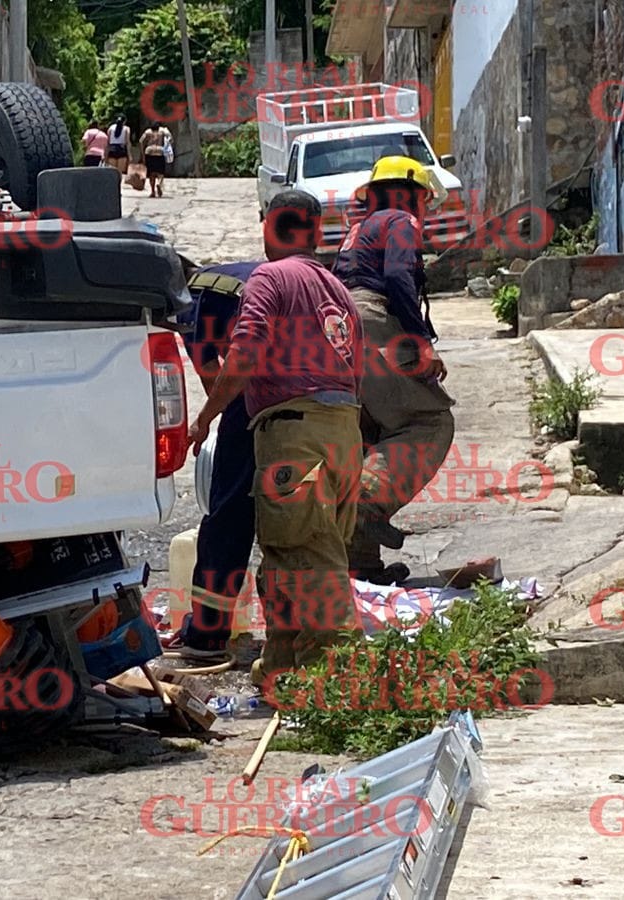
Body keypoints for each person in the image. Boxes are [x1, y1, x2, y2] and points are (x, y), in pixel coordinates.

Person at [187, 190, 365, 688]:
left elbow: (242, 355)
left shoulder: (268, 278)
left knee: (306, 555)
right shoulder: (337, 289)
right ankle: (283, 671)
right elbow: (356, 372)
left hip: (294, 432)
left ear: (269, 226)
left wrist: (206, 416)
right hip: (343, 431)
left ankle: (344, 681)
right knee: (289, 559)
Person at [332, 156, 457, 584]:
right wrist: (419, 343)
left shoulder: (357, 231)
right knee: (427, 422)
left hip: (338, 330)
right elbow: (400, 277)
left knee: (368, 438)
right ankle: (367, 508)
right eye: (425, 198)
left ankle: (359, 565)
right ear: (415, 194)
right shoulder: (400, 221)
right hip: (372, 322)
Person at [160, 260, 263, 662]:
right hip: (320, 384)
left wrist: (204, 425)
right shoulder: (237, 273)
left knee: (229, 511)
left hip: (259, 385)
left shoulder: (190, 306)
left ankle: (207, 632)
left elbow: (218, 383)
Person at [138, 121, 171, 198]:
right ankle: (159, 184)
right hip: (160, 151)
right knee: (161, 173)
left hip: (149, 152)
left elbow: (141, 141)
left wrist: (142, 153)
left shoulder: (147, 132)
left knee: (151, 174)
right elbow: (170, 138)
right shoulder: (162, 131)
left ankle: (153, 191)